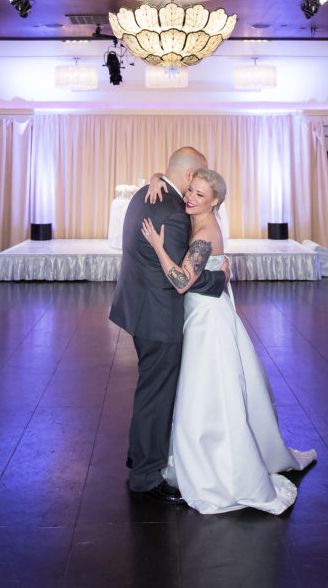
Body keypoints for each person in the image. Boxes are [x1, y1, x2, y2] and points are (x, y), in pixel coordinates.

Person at [142, 167, 315, 514]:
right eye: (190, 190)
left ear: (215, 201)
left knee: (207, 392)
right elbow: (173, 188)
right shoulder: (196, 215)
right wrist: (158, 177)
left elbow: (180, 281)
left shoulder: (206, 232)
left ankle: (217, 465)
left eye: (199, 195)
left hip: (207, 319)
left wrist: (159, 248)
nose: (190, 197)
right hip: (201, 311)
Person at [109, 147, 228, 504]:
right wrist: (220, 279)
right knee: (156, 395)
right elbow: (182, 278)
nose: (199, 183)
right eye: (199, 176)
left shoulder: (143, 198)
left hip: (138, 308)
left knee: (150, 388)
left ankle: (139, 452)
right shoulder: (174, 214)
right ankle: (146, 476)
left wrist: (155, 176)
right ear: (190, 175)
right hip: (159, 315)